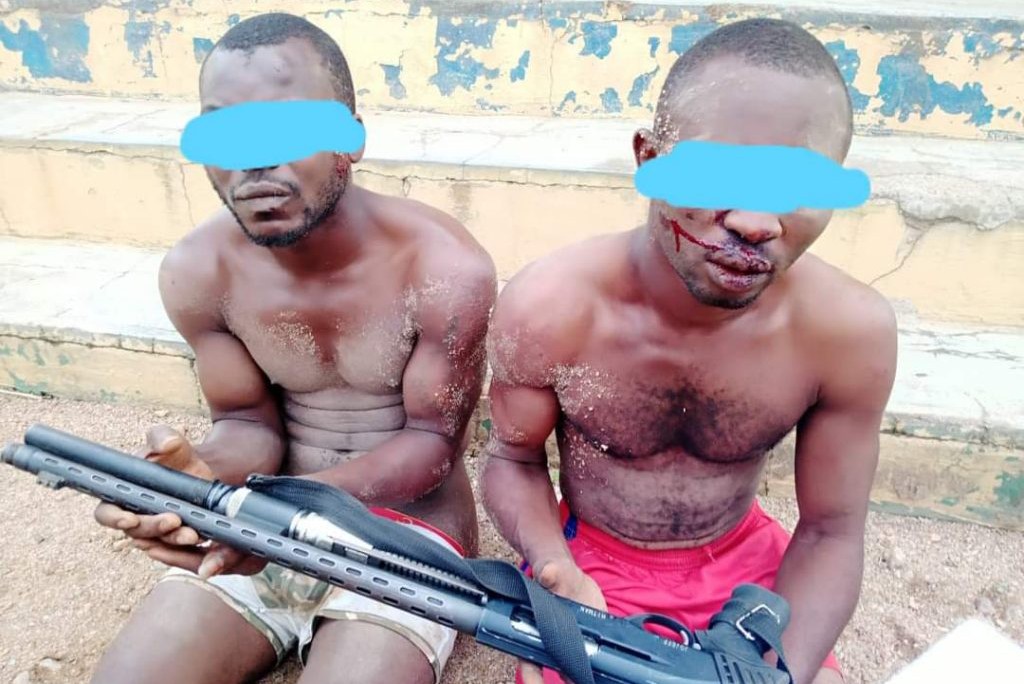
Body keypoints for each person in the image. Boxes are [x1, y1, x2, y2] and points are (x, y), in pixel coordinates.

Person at [482, 18, 897, 684]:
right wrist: (555, 568)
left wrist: (773, 672)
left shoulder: (847, 332)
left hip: (748, 570)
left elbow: (832, 531)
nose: (755, 222)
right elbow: (511, 460)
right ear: (649, 161)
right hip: (592, 564)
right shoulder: (551, 307)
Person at [90, 13, 496, 684]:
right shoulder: (198, 272)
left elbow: (432, 445)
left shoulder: (443, 268)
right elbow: (247, 424)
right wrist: (195, 475)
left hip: (404, 533)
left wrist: (272, 509)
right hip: (261, 521)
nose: (253, 162)